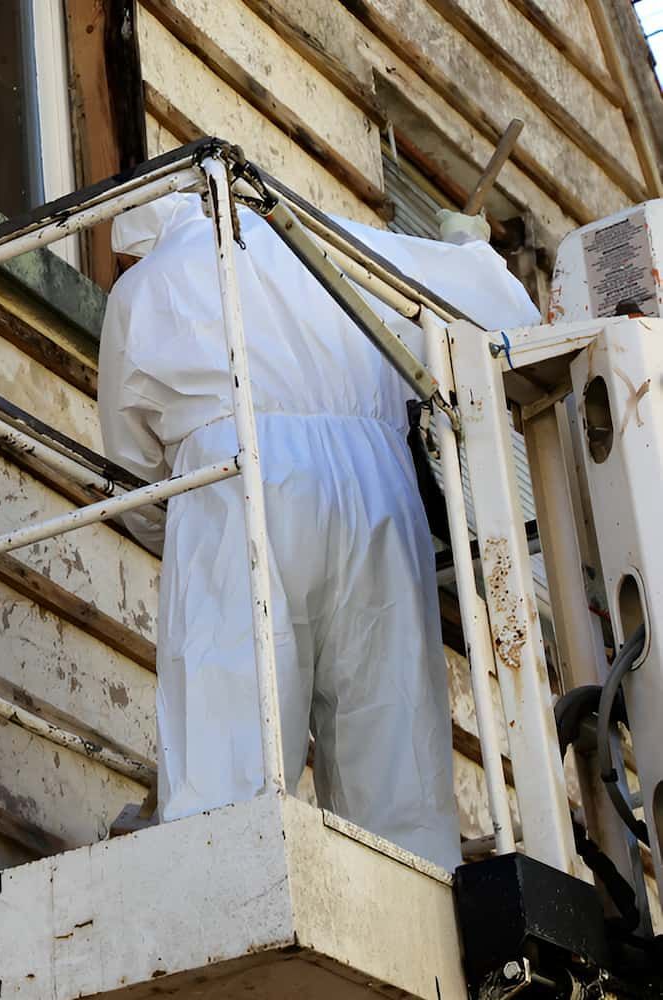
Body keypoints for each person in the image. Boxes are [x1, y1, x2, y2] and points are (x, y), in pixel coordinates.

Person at [98, 194, 537, 871]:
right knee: (386, 711)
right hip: (374, 480)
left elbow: (131, 467)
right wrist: (462, 248)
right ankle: (413, 886)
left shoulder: (146, 283)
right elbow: (501, 306)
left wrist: (165, 528)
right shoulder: (324, 246)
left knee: (231, 703)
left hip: (232, 472)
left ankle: (222, 878)